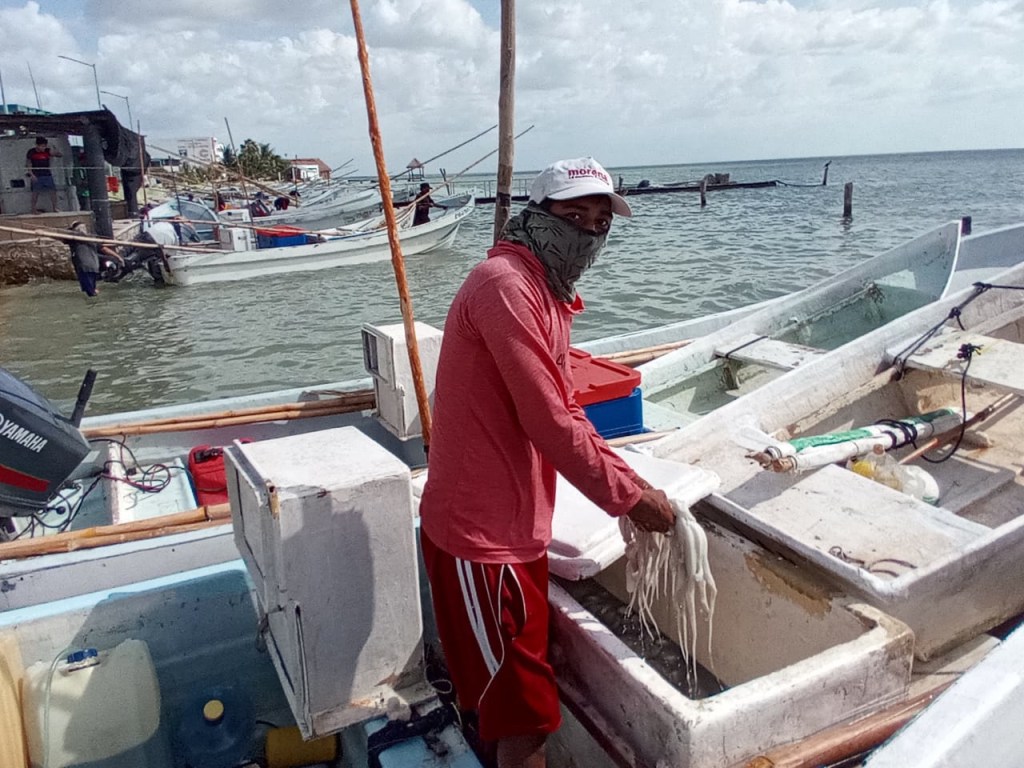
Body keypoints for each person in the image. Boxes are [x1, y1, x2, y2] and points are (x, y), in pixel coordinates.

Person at [418, 157, 676, 768]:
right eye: (572, 216)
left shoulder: (546, 291)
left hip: (517, 528)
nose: (586, 232)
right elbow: (549, 420)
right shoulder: (507, 286)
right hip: (482, 539)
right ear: (537, 216)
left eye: (598, 222)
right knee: (524, 716)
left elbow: (566, 407)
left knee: (515, 701)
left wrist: (626, 478)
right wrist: (631, 498)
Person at [65, 221, 121, 297]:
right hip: (94, 267)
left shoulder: (73, 240)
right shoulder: (92, 239)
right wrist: (118, 256)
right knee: (91, 289)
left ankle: (95, 302)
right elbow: (104, 249)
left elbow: (60, 236)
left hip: (84, 267)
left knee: (90, 293)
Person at [25, 136, 63, 213]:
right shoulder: (31, 152)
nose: (43, 148)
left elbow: (60, 155)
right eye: (42, 146)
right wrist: (31, 174)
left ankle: (55, 208)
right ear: (37, 145)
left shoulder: (47, 151)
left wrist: (55, 150)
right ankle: (33, 209)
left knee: (53, 191)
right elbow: (29, 164)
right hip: (36, 175)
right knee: (35, 192)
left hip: (47, 174)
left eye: (44, 146)